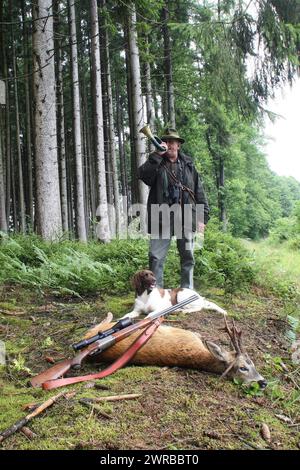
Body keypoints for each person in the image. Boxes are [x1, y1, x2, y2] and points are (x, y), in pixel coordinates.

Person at [138, 127, 210, 289]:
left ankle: (187, 291)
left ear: (178, 145)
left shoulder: (189, 166)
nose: (170, 145)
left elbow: (199, 192)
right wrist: (157, 155)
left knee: (188, 257)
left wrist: (202, 217)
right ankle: (156, 294)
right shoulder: (156, 162)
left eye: (173, 142)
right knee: (155, 257)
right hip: (160, 217)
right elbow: (143, 175)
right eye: (167, 141)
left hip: (186, 216)